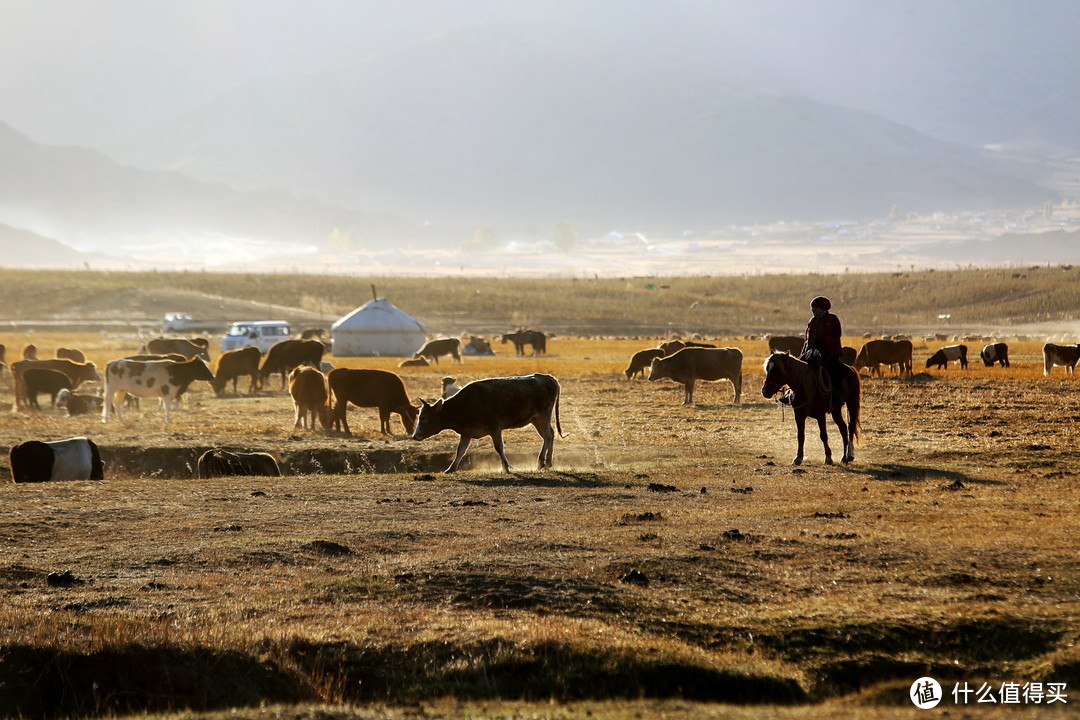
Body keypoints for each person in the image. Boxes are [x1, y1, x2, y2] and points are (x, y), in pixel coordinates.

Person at [800, 296, 845, 408]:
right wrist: (803, 353)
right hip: (811, 351)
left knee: (832, 370)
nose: (814, 313)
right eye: (813, 311)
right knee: (797, 368)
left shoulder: (832, 319)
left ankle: (837, 395)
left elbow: (836, 335)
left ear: (824, 310)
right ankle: (794, 394)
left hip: (829, 352)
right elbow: (807, 339)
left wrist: (824, 342)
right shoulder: (812, 321)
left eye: (816, 310)